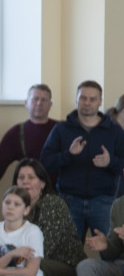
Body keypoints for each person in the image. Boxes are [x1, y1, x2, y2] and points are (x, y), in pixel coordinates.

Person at [40, 80, 124, 239]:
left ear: (100, 102)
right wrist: (68, 155)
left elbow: (122, 164)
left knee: (110, 249)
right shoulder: (62, 129)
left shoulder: (114, 131)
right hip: (69, 200)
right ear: (76, 99)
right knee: (67, 251)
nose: (87, 103)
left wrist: (110, 162)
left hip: (104, 201)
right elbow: (45, 162)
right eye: (83, 98)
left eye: (92, 99)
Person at [0, 84, 56, 208]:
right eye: (35, 99)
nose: (39, 103)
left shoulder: (62, 130)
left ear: (50, 104)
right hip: (28, 198)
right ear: (26, 103)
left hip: (59, 196)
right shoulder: (16, 133)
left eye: (44, 100)